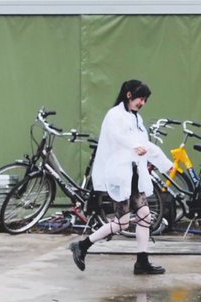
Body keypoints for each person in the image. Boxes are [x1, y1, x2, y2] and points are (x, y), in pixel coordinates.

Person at [70, 78, 173, 276]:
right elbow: (119, 137)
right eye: (140, 98)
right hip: (120, 175)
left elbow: (144, 143)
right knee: (123, 223)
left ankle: (142, 261)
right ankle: (82, 246)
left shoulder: (136, 118)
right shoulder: (114, 115)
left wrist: (165, 164)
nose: (142, 103)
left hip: (134, 174)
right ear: (129, 95)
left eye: (145, 100)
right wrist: (135, 147)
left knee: (144, 216)